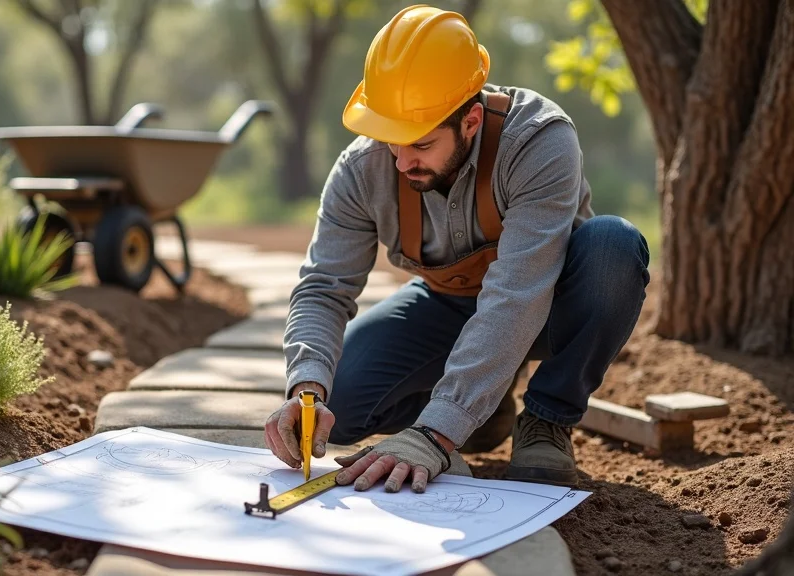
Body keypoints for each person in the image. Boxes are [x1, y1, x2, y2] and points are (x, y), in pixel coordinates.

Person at [263, 4, 650, 492]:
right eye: (390, 139)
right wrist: (306, 388)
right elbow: (323, 287)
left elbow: (518, 293)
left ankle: (546, 418)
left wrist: (436, 433)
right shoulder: (360, 170)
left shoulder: (538, 141)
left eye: (420, 144)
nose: (400, 161)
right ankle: (484, 412)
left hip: (550, 303)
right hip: (448, 308)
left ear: (470, 120)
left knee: (614, 246)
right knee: (343, 399)